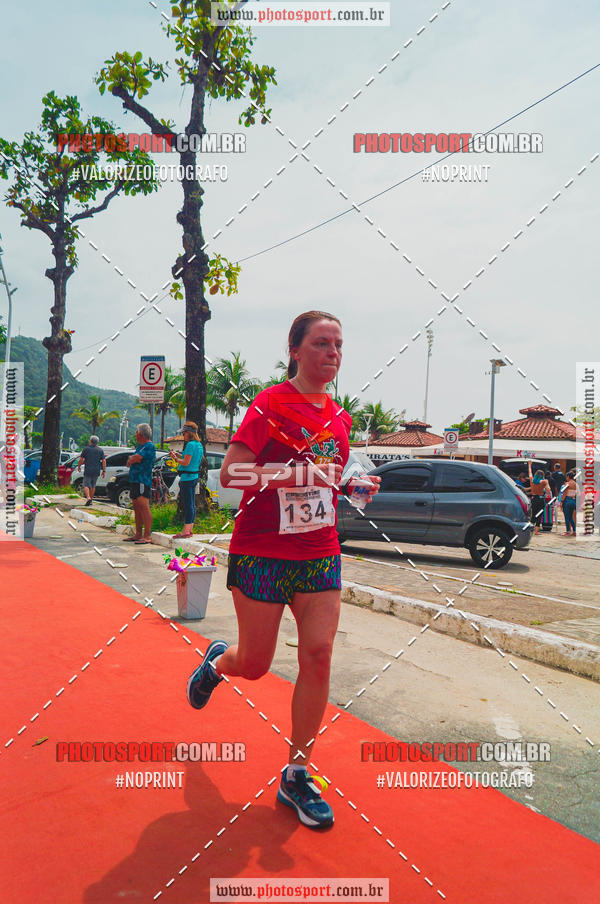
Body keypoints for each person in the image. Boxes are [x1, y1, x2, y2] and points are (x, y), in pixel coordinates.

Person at [185, 311, 380, 829]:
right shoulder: (269, 404)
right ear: (295, 350)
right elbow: (232, 472)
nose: (333, 352)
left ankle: (297, 774)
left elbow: (328, 479)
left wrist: (353, 486)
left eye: (338, 344)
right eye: (321, 343)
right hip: (263, 552)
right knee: (255, 664)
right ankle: (218, 663)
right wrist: (294, 474)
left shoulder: (340, 417)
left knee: (318, 656)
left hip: (319, 552)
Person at [169, 421, 204, 538]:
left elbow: (185, 462)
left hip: (187, 478)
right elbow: (189, 458)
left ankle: (185, 531)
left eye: (184, 433)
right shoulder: (199, 445)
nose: (183, 435)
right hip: (194, 477)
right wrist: (178, 454)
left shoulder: (190, 445)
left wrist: (175, 458)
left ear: (189, 433)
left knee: (188, 505)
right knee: (191, 504)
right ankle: (190, 529)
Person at [123, 423, 156, 544]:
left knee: (143, 506)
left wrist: (132, 459)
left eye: (136, 432)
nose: (135, 435)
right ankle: (138, 534)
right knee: (136, 507)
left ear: (141, 434)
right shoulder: (140, 447)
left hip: (143, 480)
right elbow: (130, 461)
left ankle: (147, 535)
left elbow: (135, 458)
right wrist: (131, 459)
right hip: (135, 480)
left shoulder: (149, 446)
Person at [77, 436, 106, 507]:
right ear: (97, 442)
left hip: (88, 469)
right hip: (96, 470)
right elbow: (104, 461)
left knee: (86, 485)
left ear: (90, 441)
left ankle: (88, 498)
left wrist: (79, 466)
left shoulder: (86, 449)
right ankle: (91, 500)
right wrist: (104, 470)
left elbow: (81, 459)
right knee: (93, 485)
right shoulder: (100, 450)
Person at [527, 460, 551, 535]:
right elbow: (548, 490)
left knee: (533, 514)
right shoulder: (544, 481)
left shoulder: (532, 480)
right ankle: (536, 531)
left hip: (533, 499)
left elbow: (530, 472)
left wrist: (529, 465)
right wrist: (547, 484)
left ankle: (529, 530)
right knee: (539, 515)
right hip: (540, 499)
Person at [561, 469, 577, 536]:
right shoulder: (575, 484)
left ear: (568, 476)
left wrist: (562, 501)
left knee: (567, 517)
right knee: (571, 517)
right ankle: (574, 531)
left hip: (567, 500)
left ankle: (568, 531)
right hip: (573, 500)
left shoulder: (567, 483)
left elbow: (564, 493)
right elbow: (577, 493)